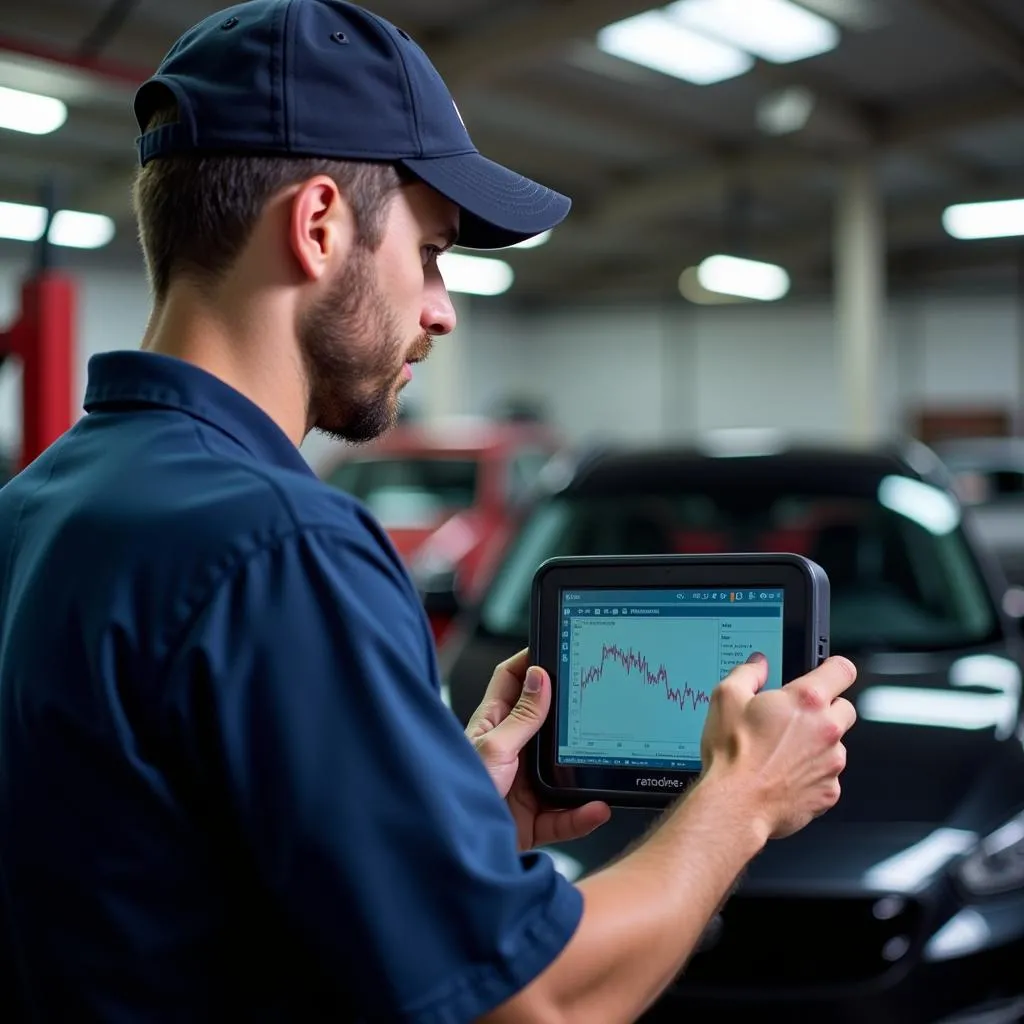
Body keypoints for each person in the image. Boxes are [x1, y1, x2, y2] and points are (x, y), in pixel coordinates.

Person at [0, 2, 857, 1022]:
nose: (442, 308)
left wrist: (435, 808)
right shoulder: (281, 545)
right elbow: (533, 1004)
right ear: (318, 225)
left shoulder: (38, 505)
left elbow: (153, 876)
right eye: (434, 252)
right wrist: (739, 799)